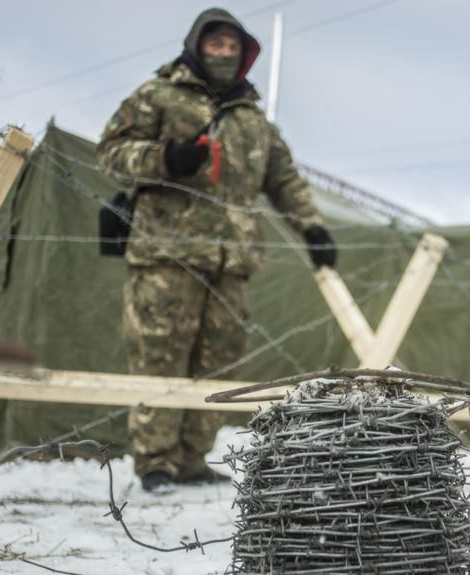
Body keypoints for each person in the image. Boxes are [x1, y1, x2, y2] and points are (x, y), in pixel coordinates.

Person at [96, 8, 337, 490]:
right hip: (167, 254)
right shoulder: (159, 95)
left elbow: (283, 179)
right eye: (215, 44)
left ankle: (192, 458)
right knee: (160, 353)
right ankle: (156, 462)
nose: (224, 53)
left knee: (220, 359)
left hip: (232, 261)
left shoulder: (253, 120)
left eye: (232, 46)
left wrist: (311, 227)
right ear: (197, 46)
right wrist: (166, 158)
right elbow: (110, 153)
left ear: (243, 54)